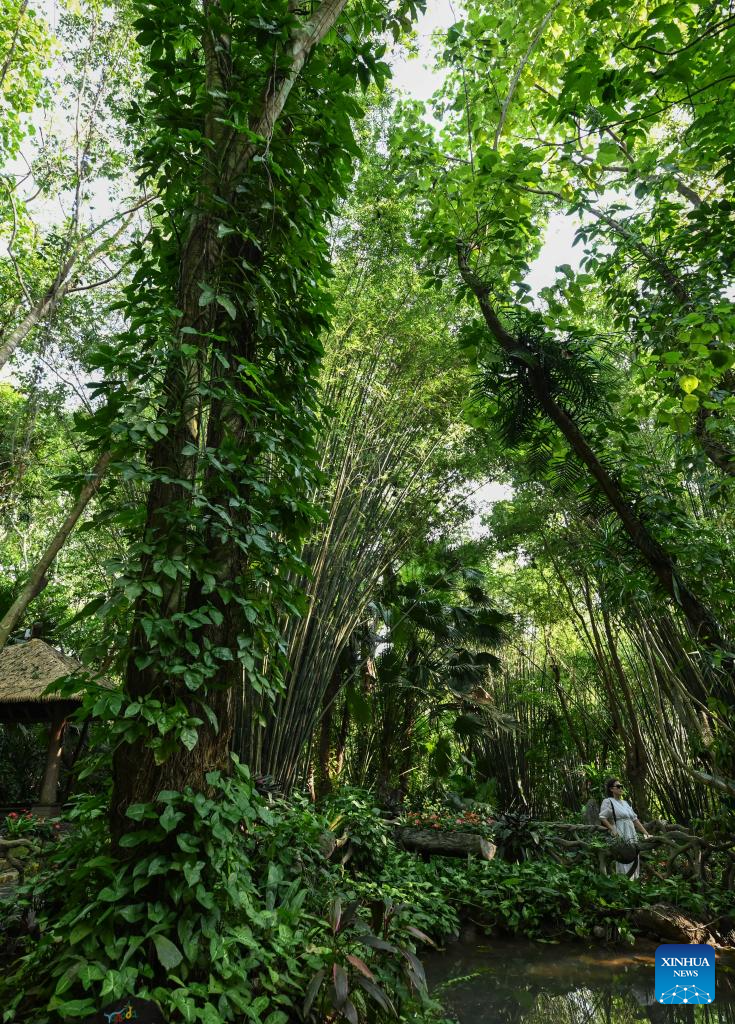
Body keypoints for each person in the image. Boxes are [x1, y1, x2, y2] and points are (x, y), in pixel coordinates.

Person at [599, 778, 650, 878]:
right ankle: (624, 881)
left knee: (634, 854)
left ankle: (634, 881)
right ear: (611, 789)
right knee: (623, 856)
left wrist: (646, 833)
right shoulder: (608, 801)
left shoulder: (626, 803)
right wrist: (612, 829)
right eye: (618, 786)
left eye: (621, 786)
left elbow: (635, 820)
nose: (621, 788)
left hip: (631, 832)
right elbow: (602, 816)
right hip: (620, 831)